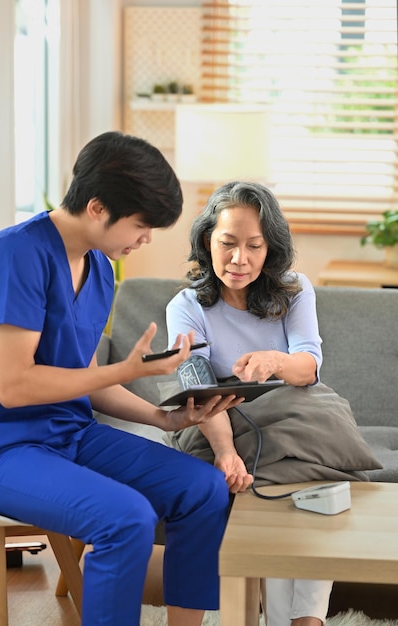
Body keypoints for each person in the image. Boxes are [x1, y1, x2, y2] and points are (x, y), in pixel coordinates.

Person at [0, 131, 242, 626]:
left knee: (204, 488)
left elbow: (84, 379)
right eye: (141, 225)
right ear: (98, 208)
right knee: (125, 518)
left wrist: (163, 418)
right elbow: (13, 387)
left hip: (70, 435)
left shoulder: (101, 268)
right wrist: (124, 369)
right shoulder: (14, 254)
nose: (145, 240)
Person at [165, 181, 333, 626]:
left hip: (289, 418)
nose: (240, 259)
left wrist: (276, 360)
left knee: (309, 481)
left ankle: (301, 622)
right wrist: (226, 451)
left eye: (254, 246)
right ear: (207, 241)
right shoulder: (187, 306)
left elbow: (309, 369)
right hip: (214, 420)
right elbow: (196, 389)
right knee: (281, 479)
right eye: (228, 243)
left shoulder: (294, 290)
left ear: (269, 248)